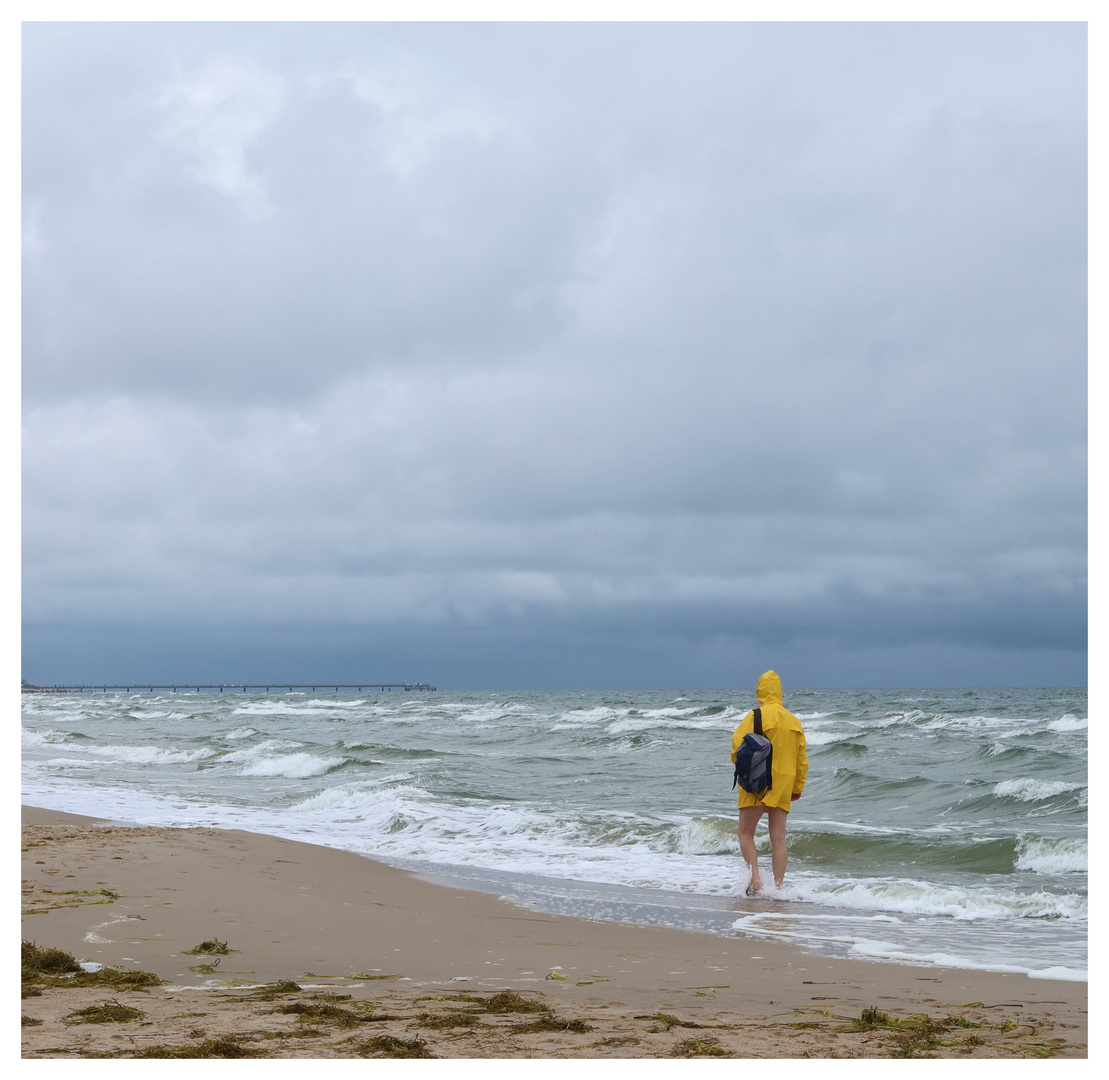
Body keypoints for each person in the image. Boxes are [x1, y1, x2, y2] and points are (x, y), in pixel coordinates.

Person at [730, 670, 808, 896]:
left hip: (757, 782)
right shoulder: (794, 720)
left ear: (760, 691)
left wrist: (740, 766)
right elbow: (802, 760)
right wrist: (797, 787)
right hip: (784, 784)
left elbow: (737, 747)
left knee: (745, 833)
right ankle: (779, 887)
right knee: (779, 838)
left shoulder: (755, 716)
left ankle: (755, 878)